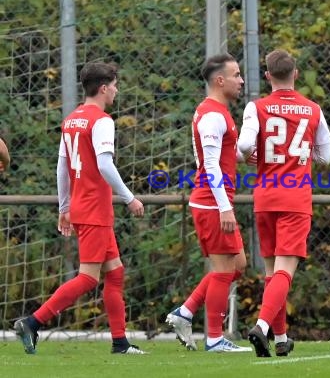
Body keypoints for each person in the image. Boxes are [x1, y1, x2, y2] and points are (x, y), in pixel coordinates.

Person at [14, 62, 146, 355]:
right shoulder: (102, 120)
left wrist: (65, 206)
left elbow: (62, 166)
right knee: (88, 278)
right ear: (103, 88)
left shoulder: (72, 119)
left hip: (83, 207)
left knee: (115, 273)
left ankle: (120, 342)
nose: (116, 90)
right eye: (114, 84)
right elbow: (104, 164)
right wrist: (129, 197)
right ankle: (32, 322)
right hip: (95, 209)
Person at [237, 49, 330, 357]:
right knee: (285, 271)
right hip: (295, 195)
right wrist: (304, 154)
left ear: (268, 76)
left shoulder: (257, 107)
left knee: (271, 271)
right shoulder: (313, 108)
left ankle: (280, 339)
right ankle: (263, 327)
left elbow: (244, 145)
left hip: (265, 195)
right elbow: (326, 156)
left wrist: (249, 157)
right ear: (295, 73)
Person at [165, 53, 253, 353]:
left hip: (215, 200)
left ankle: (186, 312)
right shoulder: (214, 115)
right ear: (220, 80)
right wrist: (224, 207)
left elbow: (221, 154)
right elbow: (211, 165)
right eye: (236, 75)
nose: (241, 80)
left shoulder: (217, 112)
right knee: (224, 269)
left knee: (237, 264)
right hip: (212, 201)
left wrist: (243, 156)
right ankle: (214, 338)